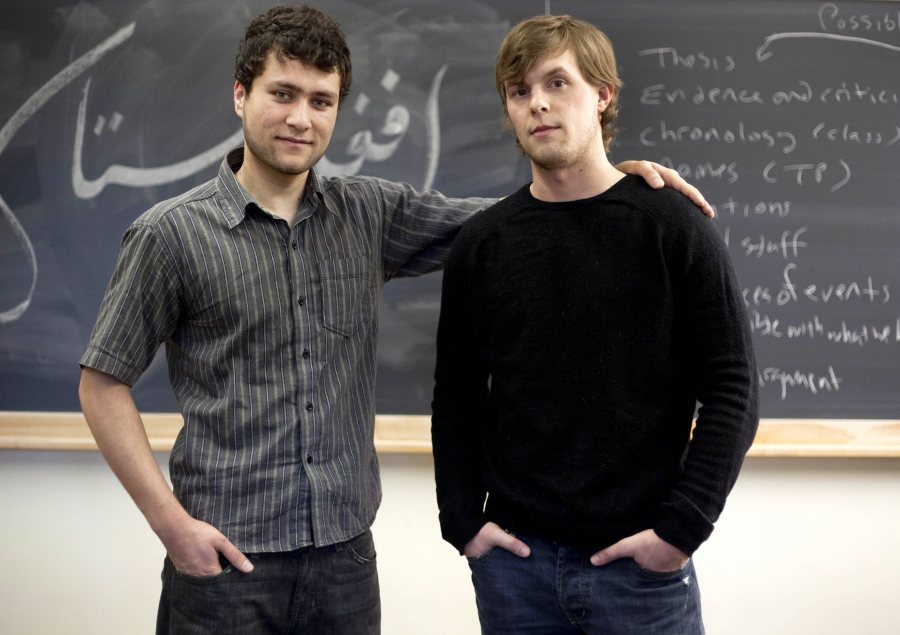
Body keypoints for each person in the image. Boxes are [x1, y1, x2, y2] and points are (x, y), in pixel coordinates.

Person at [78, 5, 714, 634]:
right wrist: (172, 526)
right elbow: (101, 383)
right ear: (240, 95)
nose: (301, 118)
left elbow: (519, 219)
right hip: (224, 565)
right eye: (282, 94)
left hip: (345, 565)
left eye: (321, 101)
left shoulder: (368, 216)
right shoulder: (170, 234)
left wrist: (614, 182)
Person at [431, 14, 759, 635]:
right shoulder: (484, 244)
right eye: (520, 91)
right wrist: (462, 521)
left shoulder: (673, 226)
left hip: (641, 572)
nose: (539, 104)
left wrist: (681, 531)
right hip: (515, 571)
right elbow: (458, 396)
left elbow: (733, 386)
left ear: (603, 95)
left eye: (558, 83)